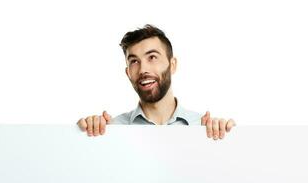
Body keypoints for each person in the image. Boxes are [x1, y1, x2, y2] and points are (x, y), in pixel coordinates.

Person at [77, 24, 236, 140]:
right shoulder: (112, 129)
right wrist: (86, 134)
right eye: (134, 61)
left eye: (152, 57)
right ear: (128, 73)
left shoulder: (204, 128)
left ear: (172, 65)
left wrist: (227, 139)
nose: (143, 69)